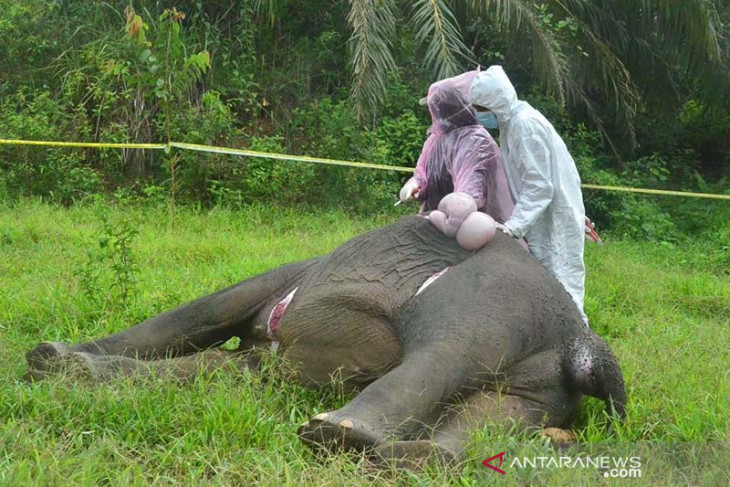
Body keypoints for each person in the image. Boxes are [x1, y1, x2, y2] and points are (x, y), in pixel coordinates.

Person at [470, 65, 589, 324]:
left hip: (553, 218)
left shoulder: (525, 125)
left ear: (494, 103)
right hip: (542, 217)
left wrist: (515, 226)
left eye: (480, 110)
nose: (479, 116)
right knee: (546, 284)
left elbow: (539, 185)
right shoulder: (511, 122)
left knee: (562, 283)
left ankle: (582, 346)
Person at [399, 72, 515, 235]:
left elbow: (469, 192)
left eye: (439, 106)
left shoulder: (475, 140)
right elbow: (423, 174)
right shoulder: (435, 140)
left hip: (476, 228)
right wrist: (414, 186)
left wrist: (453, 212)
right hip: (438, 223)